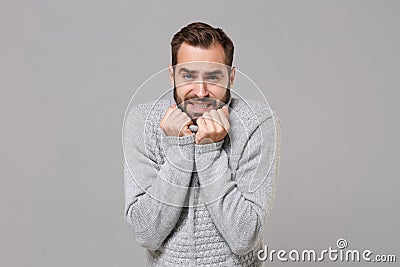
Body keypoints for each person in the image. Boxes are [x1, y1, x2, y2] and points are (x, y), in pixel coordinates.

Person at [123, 22, 282, 266]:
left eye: (213, 77)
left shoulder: (258, 123)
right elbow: (147, 233)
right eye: (188, 75)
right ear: (172, 75)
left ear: (231, 76)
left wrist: (208, 150)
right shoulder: (143, 121)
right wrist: (178, 149)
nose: (200, 91)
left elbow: (244, 238)